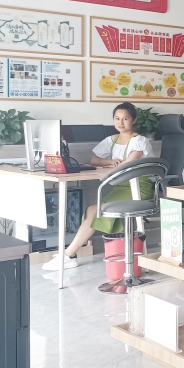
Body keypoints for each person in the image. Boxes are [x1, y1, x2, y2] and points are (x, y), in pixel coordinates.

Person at [43, 102, 154, 271]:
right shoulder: (112, 140)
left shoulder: (140, 141)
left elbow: (128, 163)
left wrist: (112, 164)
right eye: (117, 118)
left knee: (95, 210)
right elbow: (94, 160)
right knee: (91, 210)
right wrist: (109, 161)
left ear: (134, 120)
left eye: (125, 118)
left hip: (138, 188)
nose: (120, 122)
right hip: (120, 187)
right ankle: (69, 255)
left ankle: (68, 255)